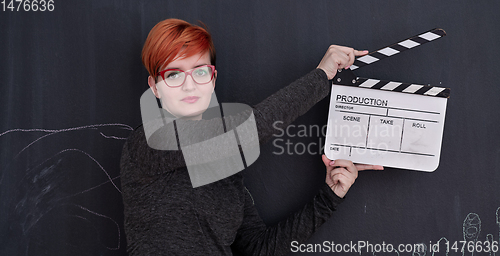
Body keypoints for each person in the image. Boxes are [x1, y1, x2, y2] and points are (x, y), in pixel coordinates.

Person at [120, 18, 383, 256]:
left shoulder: (227, 169)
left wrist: (329, 197)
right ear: (155, 87)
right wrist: (322, 75)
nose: (190, 84)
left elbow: (259, 248)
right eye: (174, 74)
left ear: (212, 80)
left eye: (200, 71)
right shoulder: (149, 143)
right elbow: (248, 130)